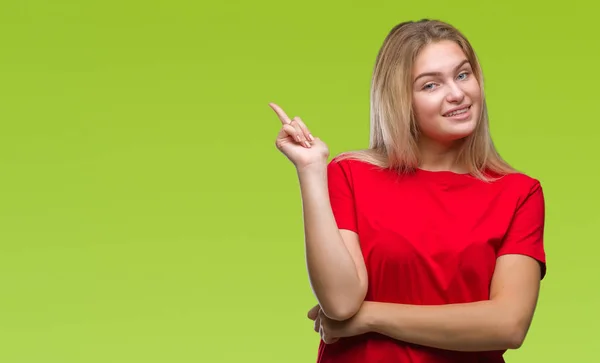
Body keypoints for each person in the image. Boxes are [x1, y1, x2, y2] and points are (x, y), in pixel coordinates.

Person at [269, 18, 546, 363]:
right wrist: (311, 170)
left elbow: (508, 324)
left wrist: (369, 317)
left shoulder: (518, 193)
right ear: (401, 101)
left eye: (462, 75)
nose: (457, 93)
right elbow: (340, 302)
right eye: (431, 85)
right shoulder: (351, 175)